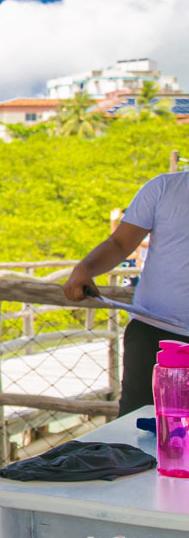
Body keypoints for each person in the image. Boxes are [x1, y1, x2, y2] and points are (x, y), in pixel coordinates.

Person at [64, 169, 189, 416]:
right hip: (153, 336)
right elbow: (119, 243)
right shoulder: (163, 188)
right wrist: (85, 268)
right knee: (137, 432)